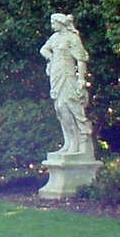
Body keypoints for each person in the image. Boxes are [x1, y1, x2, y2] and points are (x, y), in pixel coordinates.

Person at [39, 13, 93, 156]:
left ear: (61, 23)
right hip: (56, 75)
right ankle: (69, 142)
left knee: (71, 105)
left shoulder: (72, 38)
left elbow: (81, 59)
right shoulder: (54, 38)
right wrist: (51, 58)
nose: (52, 26)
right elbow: (43, 49)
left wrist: (81, 79)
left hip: (67, 75)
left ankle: (80, 141)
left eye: (53, 23)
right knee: (60, 108)